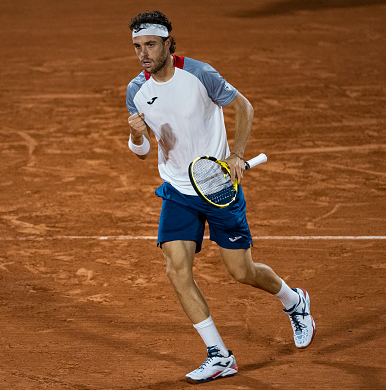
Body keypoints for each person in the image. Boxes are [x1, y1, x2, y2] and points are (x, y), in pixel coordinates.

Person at [125, 11, 316, 384]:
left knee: (241, 271)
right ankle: (219, 354)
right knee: (176, 270)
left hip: (217, 188)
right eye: (137, 47)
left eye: (150, 45)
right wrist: (135, 135)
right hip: (178, 190)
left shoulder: (200, 73)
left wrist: (237, 154)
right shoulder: (136, 90)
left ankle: (294, 301)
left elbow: (244, 106)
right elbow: (143, 151)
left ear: (167, 43)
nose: (143, 54)